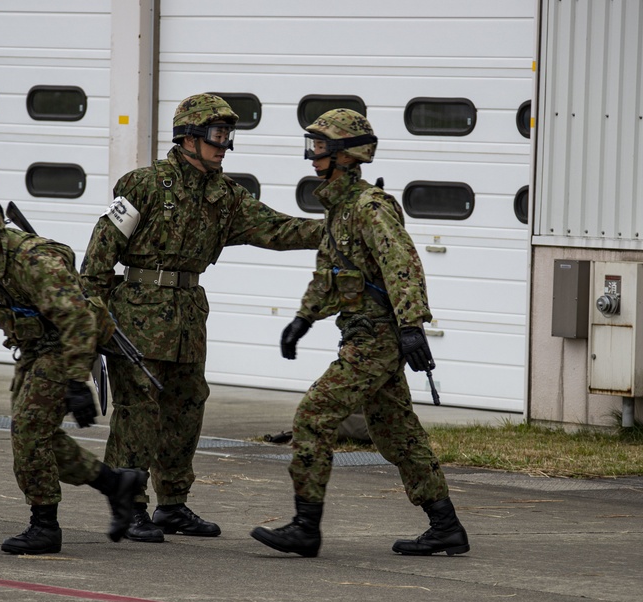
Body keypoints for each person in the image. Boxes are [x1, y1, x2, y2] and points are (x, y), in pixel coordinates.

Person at [81, 93, 323, 543]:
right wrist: (94, 322)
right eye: (216, 135)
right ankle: (131, 507)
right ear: (187, 137)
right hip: (136, 317)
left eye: (228, 136)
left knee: (186, 409)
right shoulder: (143, 186)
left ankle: (172, 504)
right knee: (138, 413)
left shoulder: (225, 196)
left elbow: (278, 229)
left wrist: (340, 227)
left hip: (188, 318)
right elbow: (98, 257)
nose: (224, 145)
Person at [249, 108, 469, 558]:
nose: (312, 156)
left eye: (320, 147)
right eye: (311, 146)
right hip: (363, 334)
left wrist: (411, 326)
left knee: (314, 415)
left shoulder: (370, 207)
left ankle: (305, 527)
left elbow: (402, 264)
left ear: (347, 154)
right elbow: (330, 276)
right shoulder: (338, 209)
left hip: (377, 338)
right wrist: (303, 319)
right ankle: (446, 526)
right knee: (396, 433)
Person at [0, 189, 146, 555]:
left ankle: (45, 525)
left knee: (28, 431)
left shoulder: (33, 260)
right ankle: (116, 484)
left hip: (66, 345)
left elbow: (77, 320)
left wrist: (77, 380)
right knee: (38, 436)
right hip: (34, 350)